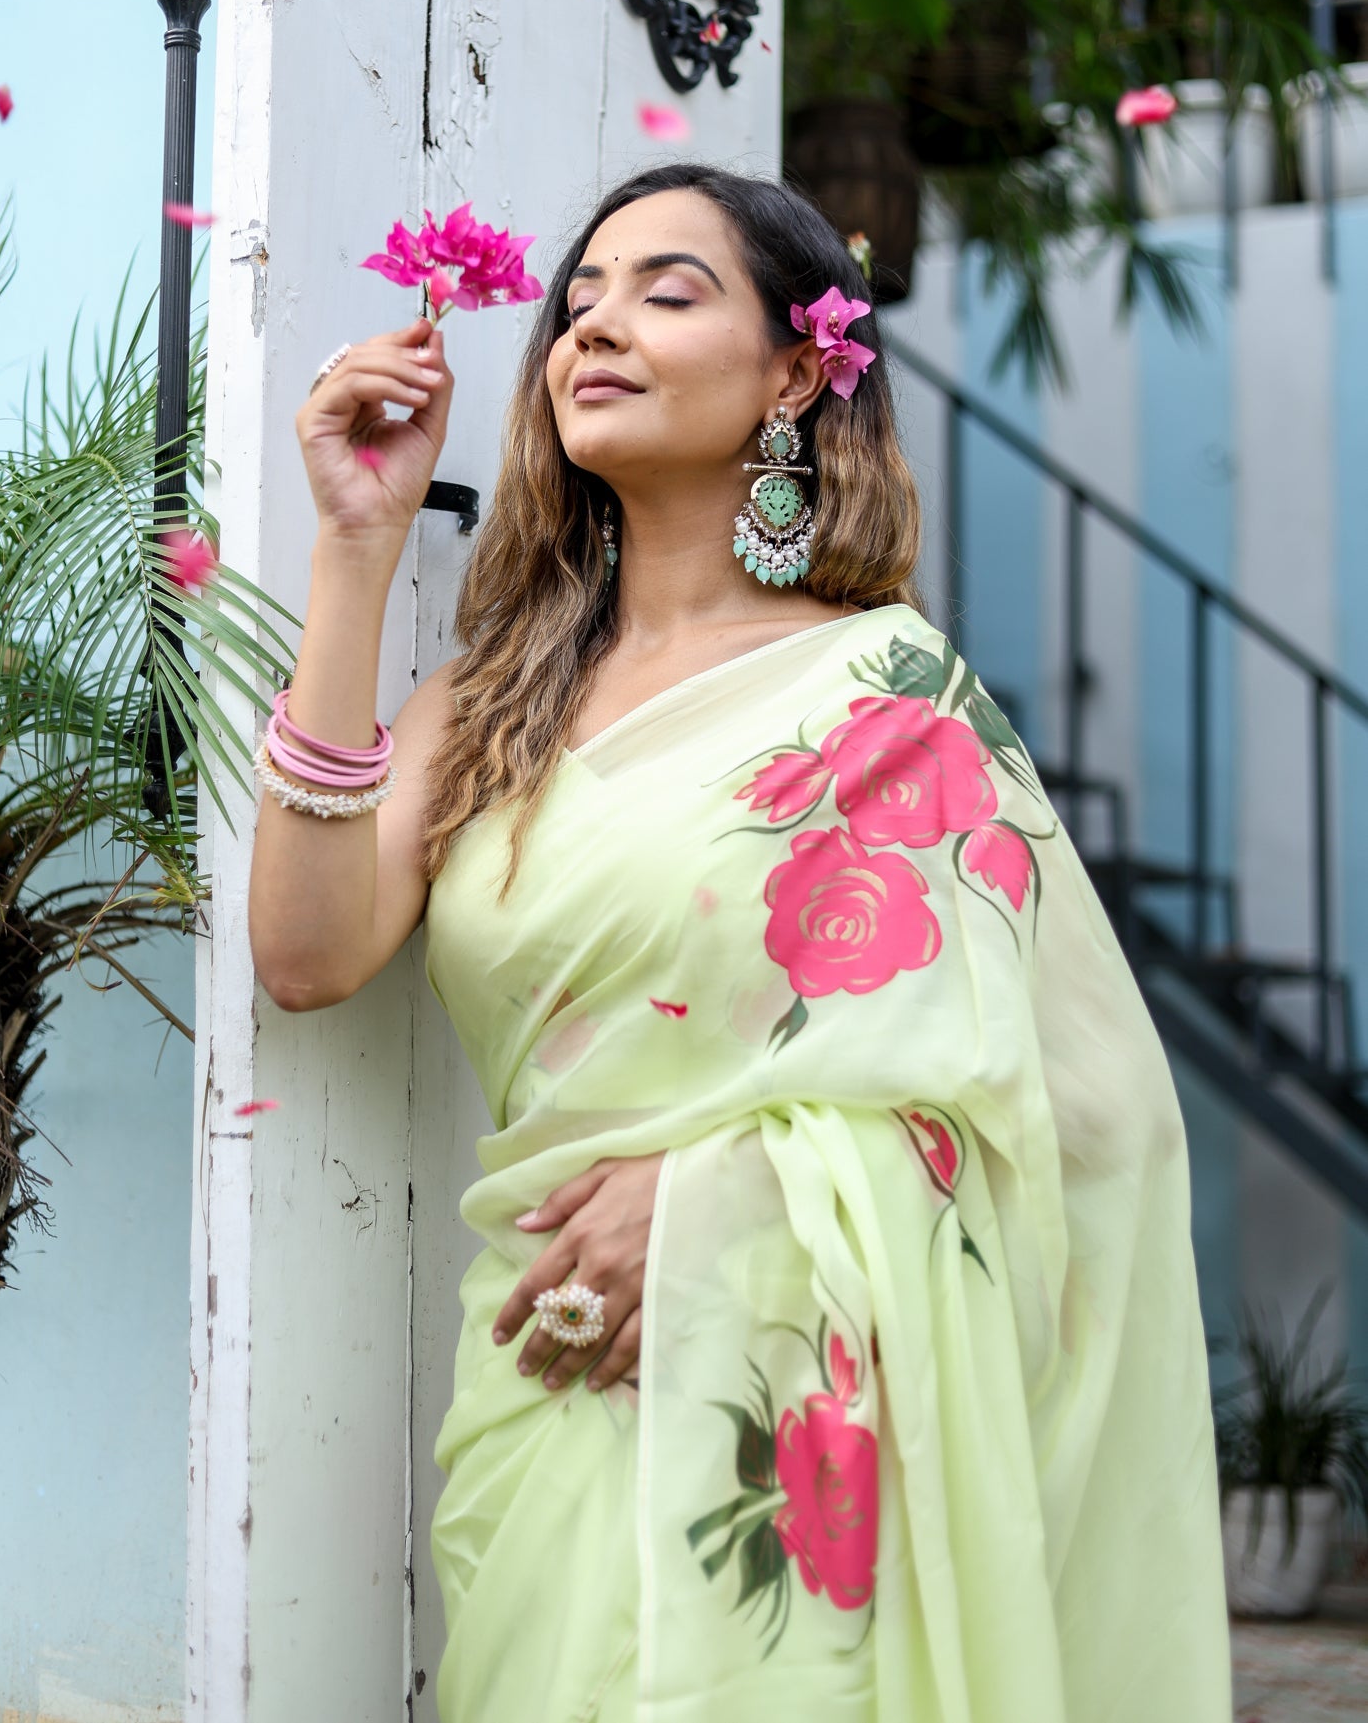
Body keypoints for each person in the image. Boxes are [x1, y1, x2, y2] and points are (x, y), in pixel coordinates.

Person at [247, 163, 1233, 1721]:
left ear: (796, 369)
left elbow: (1084, 1112)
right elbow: (305, 955)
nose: (597, 327)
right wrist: (352, 551)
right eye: (578, 303)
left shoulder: (887, 693)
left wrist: (728, 1192)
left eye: (666, 290)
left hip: (797, 1410)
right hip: (553, 1391)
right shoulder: (489, 702)